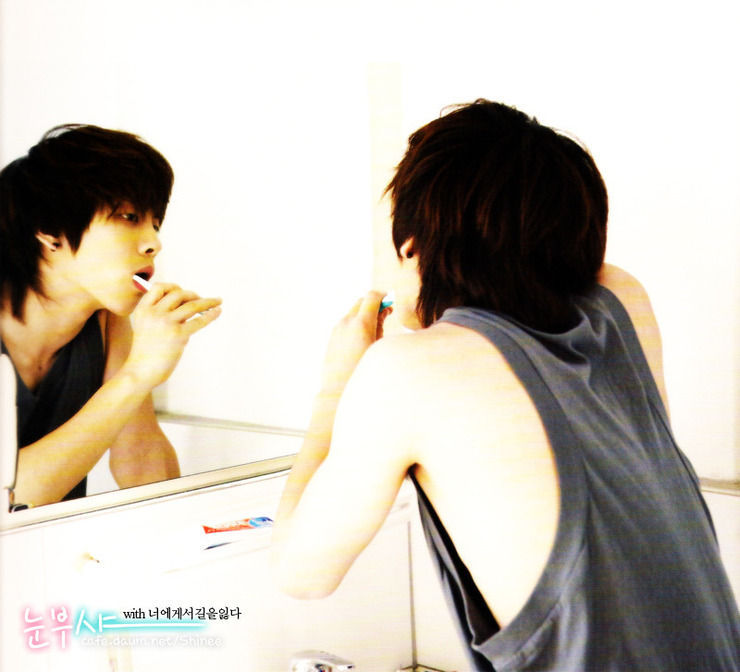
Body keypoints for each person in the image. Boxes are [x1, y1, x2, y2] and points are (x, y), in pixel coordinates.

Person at [271, 100, 740, 670]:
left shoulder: (410, 370)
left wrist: (335, 387)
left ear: (412, 245)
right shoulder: (623, 301)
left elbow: (301, 575)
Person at [0, 124, 222, 507]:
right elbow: (8, 500)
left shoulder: (107, 321)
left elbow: (143, 468)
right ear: (49, 230)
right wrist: (138, 373)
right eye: (129, 217)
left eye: (155, 223)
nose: (154, 243)